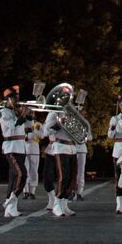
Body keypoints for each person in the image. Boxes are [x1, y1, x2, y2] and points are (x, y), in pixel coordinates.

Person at [41, 82, 82, 218]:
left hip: (72, 147)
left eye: (68, 97)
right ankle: (57, 204)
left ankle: (64, 204)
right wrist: (57, 126)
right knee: (63, 176)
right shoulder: (54, 112)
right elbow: (45, 131)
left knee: (71, 178)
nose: (67, 99)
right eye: (64, 97)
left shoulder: (72, 113)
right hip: (60, 146)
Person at [0, 85, 31, 218]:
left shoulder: (16, 111)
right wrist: (22, 115)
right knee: (22, 174)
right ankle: (10, 201)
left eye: (17, 98)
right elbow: (12, 126)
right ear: (8, 99)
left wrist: (29, 116)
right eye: (14, 98)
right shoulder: (3, 112)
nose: (17, 101)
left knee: (13, 178)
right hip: (11, 147)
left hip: (20, 147)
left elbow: (28, 127)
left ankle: (10, 208)